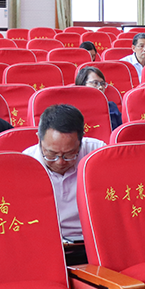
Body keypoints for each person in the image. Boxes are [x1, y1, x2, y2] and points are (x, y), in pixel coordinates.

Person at [23, 104, 106, 265]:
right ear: (39, 138)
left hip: (94, 242)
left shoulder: (97, 154)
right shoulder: (27, 164)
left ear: (81, 140)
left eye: (69, 154)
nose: (60, 162)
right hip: (49, 247)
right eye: (51, 154)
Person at [75, 66, 122, 132]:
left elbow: (120, 132)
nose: (100, 87)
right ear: (82, 85)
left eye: (102, 84)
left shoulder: (111, 107)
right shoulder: (74, 110)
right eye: (95, 83)